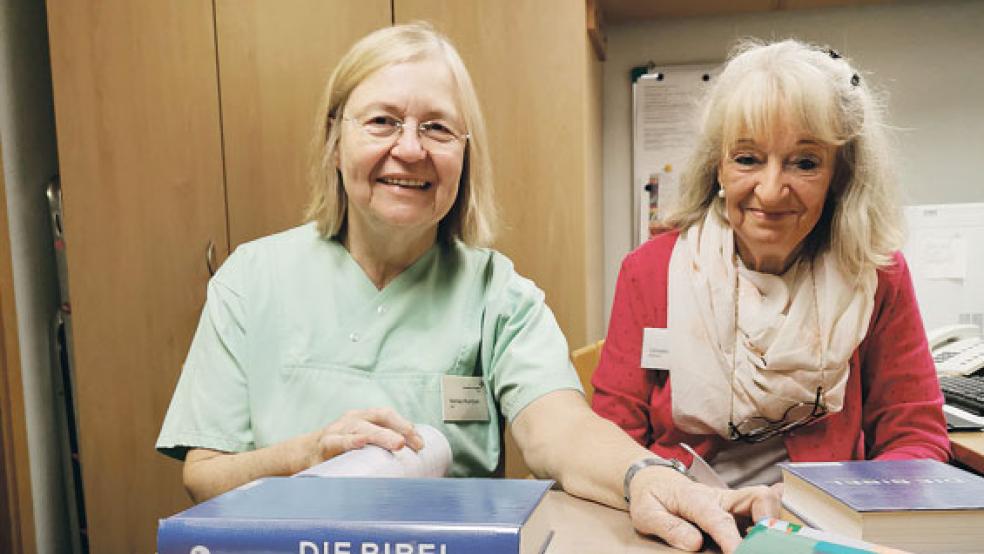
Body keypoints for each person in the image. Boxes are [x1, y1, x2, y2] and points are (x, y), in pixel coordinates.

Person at [156, 22, 780, 554]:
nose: (409, 149)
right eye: (382, 121)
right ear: (334, 135)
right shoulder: (251, 279)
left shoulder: (497, 293)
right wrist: (308, 455)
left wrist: (644, 475)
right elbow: (204, 478)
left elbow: (558, 429)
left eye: (437, 128)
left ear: (464, 154)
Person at [592, 38, 951, 491]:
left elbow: (915, 437)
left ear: (839, 175)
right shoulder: (650, 271)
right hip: (678, 515)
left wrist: (825, 502)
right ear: (718, 166)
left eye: (804, 163)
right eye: (748, 159)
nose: (770, 189)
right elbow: (612, 436)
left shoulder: (876, 274)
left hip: (821, 519)